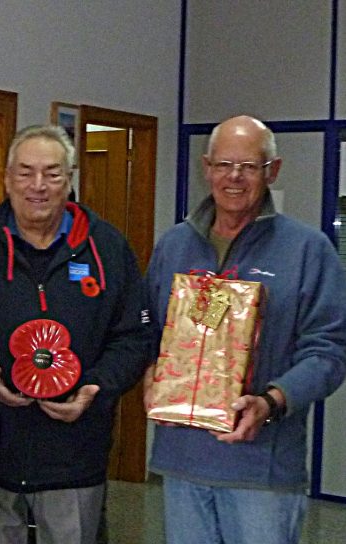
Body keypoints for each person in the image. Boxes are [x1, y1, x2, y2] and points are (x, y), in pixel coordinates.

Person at [0, 125, 152, 544]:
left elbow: (136, 335)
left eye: (52, 173)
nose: (37, 186)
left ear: (71, 179)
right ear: (6, 178)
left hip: (75, 455)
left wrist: (96, 386)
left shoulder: (108, 248)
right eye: (25, 173)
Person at [146, 115, 346, 544]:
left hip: (262, 470)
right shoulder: (173, 246)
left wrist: (272, 401)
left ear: (272, 171)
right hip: (181, 461)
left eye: (248, 166)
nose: (233, 177)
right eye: (223, 165)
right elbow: (149, 335)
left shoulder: (308, 250)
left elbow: (329, 352)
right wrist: (150, 375)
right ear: (206, 168)